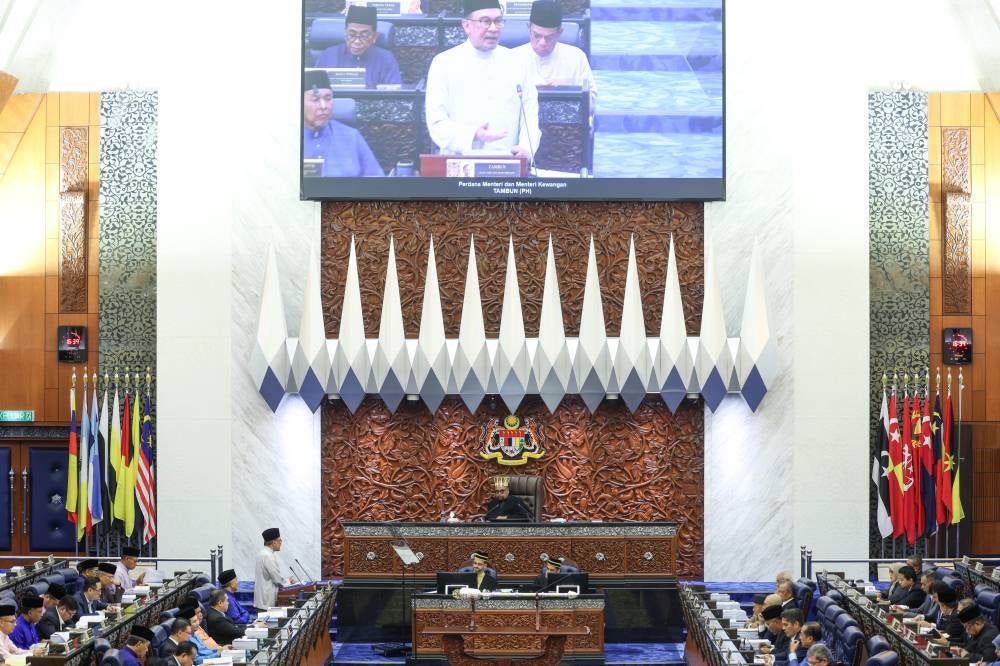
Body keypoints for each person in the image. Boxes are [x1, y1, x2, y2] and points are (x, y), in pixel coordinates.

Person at [424, 0, 540, 159]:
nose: (493, 28)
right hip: (460, 161)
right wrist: (473, 135)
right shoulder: (443, 63)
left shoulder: (518, 62)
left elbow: (530, 117)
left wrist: (526, 149)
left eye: (498, 21)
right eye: (485, 21)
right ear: (466, 25)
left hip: (507, 162)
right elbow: (437, 124)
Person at [513, 0, 596, 112]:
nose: (542, 43)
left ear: (559, 33)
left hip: (564, 120)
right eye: (537, 36)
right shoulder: (512, 58)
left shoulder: (577, 58)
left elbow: (591, 103)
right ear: (529, 28)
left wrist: (567, 90)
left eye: (549, 37)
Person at [302, 70, 384, 177]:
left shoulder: (351, 136)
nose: (323, 106)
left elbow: (375, 179)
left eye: (328, 99)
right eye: (315, 99)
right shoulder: (286, 140)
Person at [312, 5, 402, 88]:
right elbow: (315, 89)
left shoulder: (386, 59)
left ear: (374, 36)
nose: (357, 41)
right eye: (352, 35)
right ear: (345, 33)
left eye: (364, 36)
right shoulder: (328, 55)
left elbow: (393, 93)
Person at [254, 527, 291, 611]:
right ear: (274, 542)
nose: (281, 542)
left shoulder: (262, 553)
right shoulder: (268, 556)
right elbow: (277, 580)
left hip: (262, 599)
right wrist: (288, 581)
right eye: (279, 540)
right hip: (266, 601)